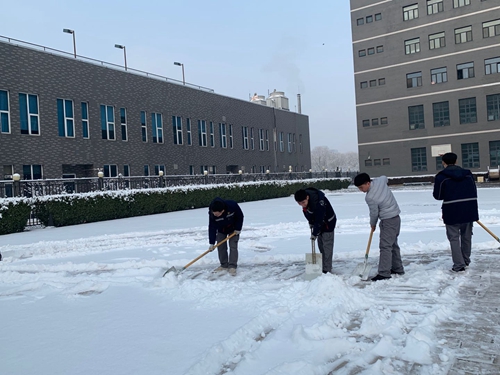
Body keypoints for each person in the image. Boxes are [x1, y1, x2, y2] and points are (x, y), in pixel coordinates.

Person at [433, 152, 479, 272]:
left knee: (454, 238)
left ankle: (459, 264)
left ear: (443, 162)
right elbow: (473, 191)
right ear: (456, 161)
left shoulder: (441, 177)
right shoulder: (468, 174)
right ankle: (465, 260)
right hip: (469, 209)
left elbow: (438, 196)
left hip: (451, 210)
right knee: (467, 236)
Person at [354, 173, 404, 281]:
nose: (361, 190)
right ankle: (397, 268)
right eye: (359, 188)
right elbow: (385, 178)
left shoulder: (370, 197)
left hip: (388, 220)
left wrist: (373, 224)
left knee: (385, 246)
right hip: (396, 217)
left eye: (362, 187)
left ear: (368, 183)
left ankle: (384, 273)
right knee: (393, 244)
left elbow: (374, 213)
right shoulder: (380, 181)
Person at [294, 188, 337, 274]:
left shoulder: (318, 204)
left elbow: (319, 220)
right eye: (299, 203)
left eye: (303, 202)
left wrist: (314, 233)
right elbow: (309, 213)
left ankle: (327, 269)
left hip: (328, 223)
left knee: (327, 246)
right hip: (319, 223)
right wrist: (311, 222)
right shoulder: (307, 201)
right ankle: (324, 264)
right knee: (321, 245)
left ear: (307, 197)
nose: (302, 205)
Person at [208, 197, 244, 275]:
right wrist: (211, 242)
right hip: (221, 229)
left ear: (223, 211)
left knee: (233, 245)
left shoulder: (232, 206)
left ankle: (232, 266)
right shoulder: (212, 212)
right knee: (220, 246)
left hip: (234, 229)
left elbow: (240, 216)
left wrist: (238, 228)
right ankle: (224, 265)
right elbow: (212, 227)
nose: (215, 215)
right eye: (214, 213)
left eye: (217, 214)